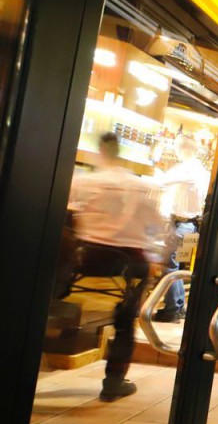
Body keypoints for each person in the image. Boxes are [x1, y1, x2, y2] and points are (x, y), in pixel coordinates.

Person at [68, 132, 167, 401]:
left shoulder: (83, 182)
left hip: (85, 262)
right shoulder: (136, 186)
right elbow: (159, 226)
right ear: (119, 151)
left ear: (100, 151)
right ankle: (113, 381)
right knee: (125, 322)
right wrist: (158, 253)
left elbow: (68, 215)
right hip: (127, 266)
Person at [153, 135, 209, 322]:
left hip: (181, 224)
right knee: (175, 266)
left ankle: (173, 309)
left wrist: (154, 159)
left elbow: (161, 181)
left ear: (180, 148)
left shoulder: (186, 169)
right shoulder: (203, 171)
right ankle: (177, 306)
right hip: (191, 225)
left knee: (170, 265)